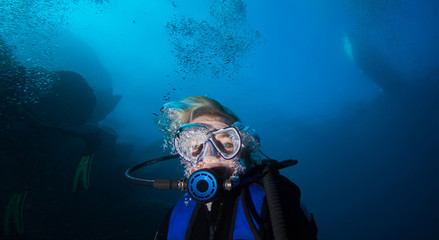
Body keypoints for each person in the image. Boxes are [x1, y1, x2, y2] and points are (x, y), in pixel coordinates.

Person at [154, 96, 318, 240]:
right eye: (197, 145)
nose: (210, 155)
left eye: (226, 144)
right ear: (184, 156)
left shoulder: (274, 201)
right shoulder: (175, 216)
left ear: (244, 154)